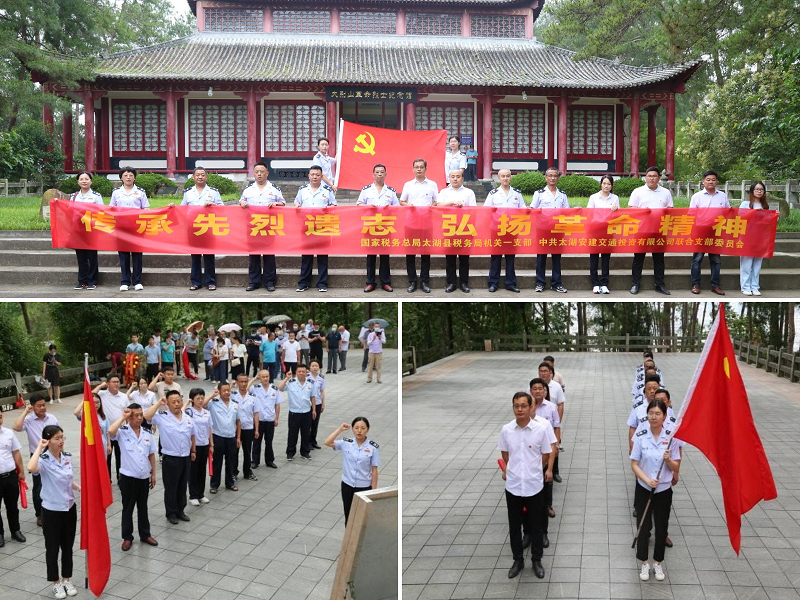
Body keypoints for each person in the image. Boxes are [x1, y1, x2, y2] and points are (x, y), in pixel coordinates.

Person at [498, 392, 551, 580]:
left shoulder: (540, 430)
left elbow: (546, 455)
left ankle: (536, 560)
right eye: (516, 406)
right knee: (514, 526)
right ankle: (518, 560)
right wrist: (514, 470)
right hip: (513, 486)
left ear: (530, 407)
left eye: (523, 406)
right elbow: (505, 454)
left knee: (536, 526)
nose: (519, 409)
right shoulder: (506, 430)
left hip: (533, 485)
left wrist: (533, 470)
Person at [27, 425, 81, 599]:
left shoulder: (67, 457)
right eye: (57, 438)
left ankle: (66, 579)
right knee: (52, 548)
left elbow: (67, 479)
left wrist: (78, 487)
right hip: (51, 511)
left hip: (69, 508)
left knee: (67, 546)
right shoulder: (43, 460)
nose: (61, 441)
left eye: (62, 437)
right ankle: (56, 583)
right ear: (48, 441)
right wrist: (39, 447)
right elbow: (31, 468)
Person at [631, 398, 681, 582]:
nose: (654, 417)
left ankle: (658, 562)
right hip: (644, 488)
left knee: (662, 527)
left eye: (658, 414)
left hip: (663, 490)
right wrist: (647, 480)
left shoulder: (671, 437)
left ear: (664, 416)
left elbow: (676, 468)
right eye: (651, 413)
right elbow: (634, 464)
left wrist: (668, 460)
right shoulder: (641, 434)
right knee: (643, 526)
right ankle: (644, 562)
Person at [108, 404, 158, 550]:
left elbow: (151, 454)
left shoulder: (147, 433)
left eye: (141, 415)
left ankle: (145, 534)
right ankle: (127, 537)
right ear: (129, 417)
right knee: (128, 508)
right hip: (128, 477)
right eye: (135, 415)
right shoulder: (122, 432)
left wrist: (153, 473)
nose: (139, 418)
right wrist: (123, 417)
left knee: (143, 507)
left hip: (143, 477)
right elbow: (110, 431)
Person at [143, 391, 195, 523]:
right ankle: (171, 512)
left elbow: (192, 435)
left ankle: (180, 510)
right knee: (171, 487)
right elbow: (146, 416)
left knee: (182, 486)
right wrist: (158, 404)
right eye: (173, 402)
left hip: (185, 457)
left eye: (179, 401)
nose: (177, 404)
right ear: (167, 403)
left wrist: (193, 451)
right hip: (171, 458)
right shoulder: (162, 416)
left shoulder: (188, 417)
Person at [240, 161, 285, 292]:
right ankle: (254, 281)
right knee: (253, 255)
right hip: (253, 226)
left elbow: (283, 203)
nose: (259, 174)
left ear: (267, 173)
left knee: (269, 254)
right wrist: (242, 203)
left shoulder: (274, 189)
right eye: (257, 172)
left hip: (268, 226)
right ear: (254, 173)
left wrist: (276, 204)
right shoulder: (248, 189)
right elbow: (241, 201)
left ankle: (269, 281)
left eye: (262, 172)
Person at [14, 395, 59, 526]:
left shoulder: (52, 418)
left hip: (53, 454)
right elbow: (16, 427)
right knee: (38, 486)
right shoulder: (28, 420)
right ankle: (39, 514)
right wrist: (25, 412)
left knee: (54, 483)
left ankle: (53, 510)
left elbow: (58, 436)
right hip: (37, 456)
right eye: (39, 406)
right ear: (32, 406)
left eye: (44, 405)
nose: (42, 408)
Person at [325, 417, 379, 525]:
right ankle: (348, 536)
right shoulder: (346, 443)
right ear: (353, 429)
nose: (359, 431)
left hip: (364, 487)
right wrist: (340, 429)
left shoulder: (373, 447)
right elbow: (327, 442)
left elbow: (374, 470)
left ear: (367, 429)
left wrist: (373, 490)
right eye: (356, 428)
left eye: (363, 428)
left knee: (362, 518)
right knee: (348, 516)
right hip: (347, 485)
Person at [629, 166, 673, 295]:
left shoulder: (666, 192)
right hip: (641, 230)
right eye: (649, 176)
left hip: (659, 230)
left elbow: (670, 209)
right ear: (645, 178)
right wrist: (642, 211)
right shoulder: (638, 191)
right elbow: (630, 208)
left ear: (659, 178)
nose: (651, 179)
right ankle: (635, 284)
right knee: (638, 258)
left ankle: (660, 284)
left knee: (659, 259)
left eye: (654, 176)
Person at [295, 165, 337, 292]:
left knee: (322, 256)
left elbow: (334, 205)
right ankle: (304, 283)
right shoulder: (302, 190)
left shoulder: (327, 190)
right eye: (312, 174)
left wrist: (327, 209)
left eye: (317, 175)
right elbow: (297, 202)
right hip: (307, 226)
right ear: (309, 176)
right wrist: (297, 205)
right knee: (306, 256)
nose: (314, 177)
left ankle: (322, 283)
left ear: (321, 176)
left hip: (322, 226)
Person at [357, 164, 399, 292]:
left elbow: (397, 208)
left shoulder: (391, 191)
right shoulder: (366, 190)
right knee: (371, 256)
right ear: (373, 174)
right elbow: (358, 205)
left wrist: (390, 208)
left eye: (382, 172)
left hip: (385, 227)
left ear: (386, 174)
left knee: (385, 256)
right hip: (370, 227)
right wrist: (368, 206)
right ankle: (370, 282)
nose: (379, 174)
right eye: (377, 172)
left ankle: (385, 282)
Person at [400, 158, 438, 293]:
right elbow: (402, 201)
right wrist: (408, 206)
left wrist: (432, 206)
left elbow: (437, 201)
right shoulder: (408, 185)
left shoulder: (432, 184)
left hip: (427, 223)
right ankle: (412, 281)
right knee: (410, 253)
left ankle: (424, 281)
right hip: (411, 223)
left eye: (421, 167)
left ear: (426, 169)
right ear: (413, 169)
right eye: (416, 167)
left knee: (425, 253)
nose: (419, 169)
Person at [181, 166, 223, 290]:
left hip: (208, 227)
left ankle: (210, 282)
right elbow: (182, 209)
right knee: (195, 256)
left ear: (206, 177)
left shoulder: (213, 192)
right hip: (193, 228)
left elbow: (222, 208)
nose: (200, 177)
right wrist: (173, 207)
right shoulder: (188, 192)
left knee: (209, 255)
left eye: (202, 175)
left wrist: (213, 205)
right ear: (193, 177)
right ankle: (195, 282)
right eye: (197, 175)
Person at [484, 168, 525, 293]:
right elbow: (485, 210)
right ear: (499, 178)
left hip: (512, 229)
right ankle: (493, 283)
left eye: (508, 176)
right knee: (495, 257)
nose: (505, 178)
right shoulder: (493, 193)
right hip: (497, 229)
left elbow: (522, 208)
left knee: (510, 257)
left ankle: (510, 283)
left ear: (510, 177)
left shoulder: (517, 193)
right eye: (503, 176)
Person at [690, 169, 730, 295]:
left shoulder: (722, 196)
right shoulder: (697, 197)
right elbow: (691, 215)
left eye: (713, 179)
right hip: (701, 232)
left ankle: (715, 286)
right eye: (708, 180)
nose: (711, 182)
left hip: (716, 232)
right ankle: (695, 284)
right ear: (703, 182)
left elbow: (728, 212)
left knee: (716, 260)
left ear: (717, 181)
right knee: (697, 259)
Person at [436, 170, 476, 293]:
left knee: (464, 259)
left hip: (464, 229)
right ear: (449, 178)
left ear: (462, 178)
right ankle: (451, 283)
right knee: (450, 258)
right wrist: (452, 202)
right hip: (449, 229)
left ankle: (464, 283)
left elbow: (474, 210)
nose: (455, 179)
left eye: (458, 177)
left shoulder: (469, 192)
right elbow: (438, 206)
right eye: (452, 177)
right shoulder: (444, 192)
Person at [530, 167, 569, 293]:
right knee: (541, 257)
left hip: (558, 229)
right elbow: (532, 210)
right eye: (550, 175)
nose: (552, 178)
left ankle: (557, 283)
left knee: (556, 258)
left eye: (555, 176)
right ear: (546, 177)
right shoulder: (539, 193)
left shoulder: (562, 194)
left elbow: (567, 211)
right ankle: (540, 283)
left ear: (558, 178)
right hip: (543, 229)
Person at [109, 166, 149, 291]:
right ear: (121, 178)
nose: (128, 177)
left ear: (134, 177)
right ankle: (125, 281)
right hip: (121, 228)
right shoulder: (116, 192)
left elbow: (146, 208)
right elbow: (111, 209)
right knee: (123, 255)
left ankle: (137, 281)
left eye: (131, 175)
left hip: (137, 227)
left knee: (137, 255)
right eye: (125, 175)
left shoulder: (140, 192)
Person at [529, 379, 560, 529]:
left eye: (540, 388)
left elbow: (556, 428)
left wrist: (550, 468)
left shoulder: (545, 419)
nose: (537, 391)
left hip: (544, 459)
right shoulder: (513, 426)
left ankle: (547, 508)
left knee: (545, 490)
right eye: (534, 389)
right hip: (528, 466)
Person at [68, 171, 104, 290]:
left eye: (86, 179)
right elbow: (69, 211)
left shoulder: (96, 196)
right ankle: (82, 281)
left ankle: (92, 281)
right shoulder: (73, 196)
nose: (84, 181)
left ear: (91, 181)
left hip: (91, 230)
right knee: (81, 257)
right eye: (81, 179)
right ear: (78, 182)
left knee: (92, 256)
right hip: (77, 230)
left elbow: (101, 212)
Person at [204, 382, 240, 493]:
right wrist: (212, 395)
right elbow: (202, 405)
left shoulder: (235, 404)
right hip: (218, 436)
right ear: (219, 391)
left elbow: (238, 421)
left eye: (228, 390)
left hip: (231, 437)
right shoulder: (213, 403)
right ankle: (214, 485)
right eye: (224, 390)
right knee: (217, 462)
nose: (226, 392)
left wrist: (238, 437)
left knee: (231, 461)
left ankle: (230, 483)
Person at [586, 175, 620, 294]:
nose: (606, 186)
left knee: (606, 258)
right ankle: (595, 283)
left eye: (609, 184)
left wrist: (615, 210)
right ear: (600, 184)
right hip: (595, 231)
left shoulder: (615, 198)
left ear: (612, 186)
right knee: (594, 258)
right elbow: (589, 213)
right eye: (604, 183)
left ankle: (605, 283)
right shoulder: (593, 197)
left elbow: (618, 216)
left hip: (608, 231)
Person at [0, 408, 26, 548]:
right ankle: (0, 534)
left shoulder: (9, 433)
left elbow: (16, 452)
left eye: (0, 417)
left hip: (10, 476)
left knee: (12, 506)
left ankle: (15, 530)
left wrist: (21, 471)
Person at [278, 364, 315, 461]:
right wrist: (286, 378)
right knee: (292, 434)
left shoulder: (310, 383)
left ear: (306, 372)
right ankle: (290, 453)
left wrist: (314, 410)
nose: (301, 373)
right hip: (294, 413)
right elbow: (280, 388)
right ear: (296, 372)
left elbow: (313, 397)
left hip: (306, 412)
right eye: (299, 371)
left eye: (303, 371)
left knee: (306, 433)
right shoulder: (291, 382)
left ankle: (305, 452)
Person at [739, 181, 770, 296]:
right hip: (747, 237)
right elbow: (739, 218)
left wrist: (775, 214)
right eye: (757, 189)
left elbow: (768, 222)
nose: (759, 191)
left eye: (761, 189)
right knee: (746, 264)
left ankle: (755, 286)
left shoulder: (766, 206)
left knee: (757, 264)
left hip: (761, 238)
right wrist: (754, 212)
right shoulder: (745, 204)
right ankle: (745, 286)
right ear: (752, 191)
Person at [184, 388, 212, 505]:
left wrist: (211, 444)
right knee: (193, 471)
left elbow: (210, 428)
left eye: (202, 397)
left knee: (202, 470)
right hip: (194, 446)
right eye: (197, 398)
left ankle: (201, 494)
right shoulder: (188, 412)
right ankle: (193, 495)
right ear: (192, 399)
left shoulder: (206, 412)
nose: (200, 400)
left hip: (204, 444)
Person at [249, 370, 281, 469]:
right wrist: (254, 379)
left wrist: (276, 418)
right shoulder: (255, 388)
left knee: (269, 441)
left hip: (270, 419)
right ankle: (255, 461)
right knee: (256, 441)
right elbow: (245, 389)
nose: (265, 378)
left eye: (267, 376)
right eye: (263, 377)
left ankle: (269, 460)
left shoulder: (274, 389)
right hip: (259, 420)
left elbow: (277, 404)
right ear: (260, 378)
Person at [308, 360, 326, 450]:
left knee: (315, 424)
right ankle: (307, 443)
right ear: (309, 367)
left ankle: (313, 441)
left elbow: (322, 391)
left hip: (318, 403)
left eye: (316, 366)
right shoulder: (306, 377)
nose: (315, 367)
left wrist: (323, 403)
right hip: (308, 404)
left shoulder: (321, 378)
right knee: (308, 424)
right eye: (313, 366)